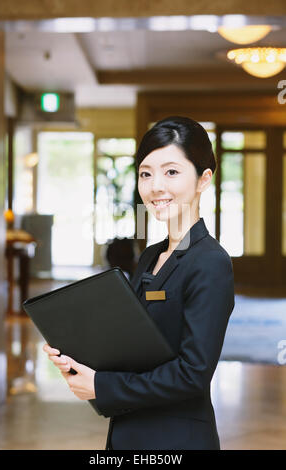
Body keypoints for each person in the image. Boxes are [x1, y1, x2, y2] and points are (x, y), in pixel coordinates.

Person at [43, 116, 235, 450]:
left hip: (176, 440)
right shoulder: (149, 256)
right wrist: (78, 359)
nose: (155, 186)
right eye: (146, 173)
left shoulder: (210, 262)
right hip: (129, 433)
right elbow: (134, 347)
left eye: (172, 172)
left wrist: (103, 387)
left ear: (204, 179)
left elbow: (193, 373)